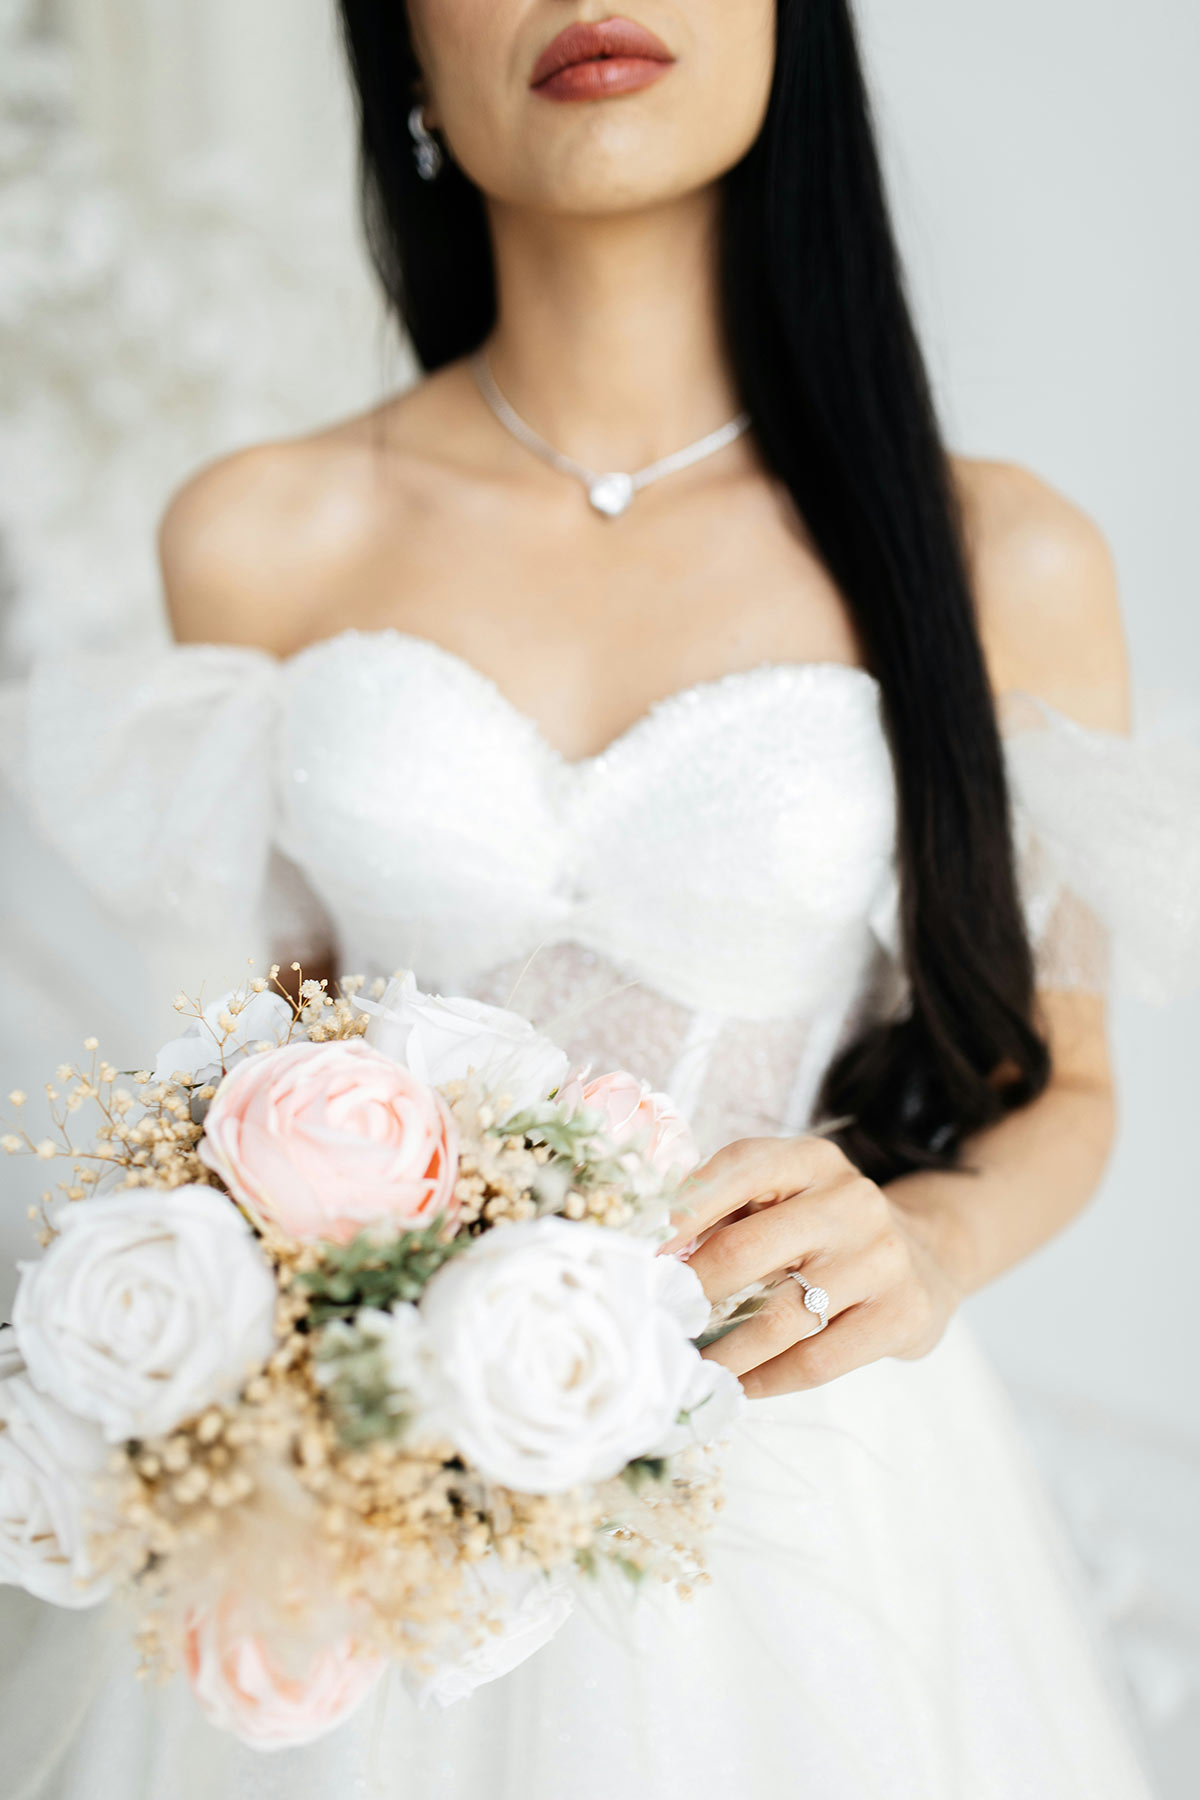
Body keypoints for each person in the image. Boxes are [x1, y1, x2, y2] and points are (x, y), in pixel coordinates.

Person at [4, 2, 1193, 1795]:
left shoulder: (993, 551)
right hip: (391, 1500)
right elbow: (289, 1061)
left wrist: (924, 1242)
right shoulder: (259, 534)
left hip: (806, 1470)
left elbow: (1063, 1081)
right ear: (400, 43)